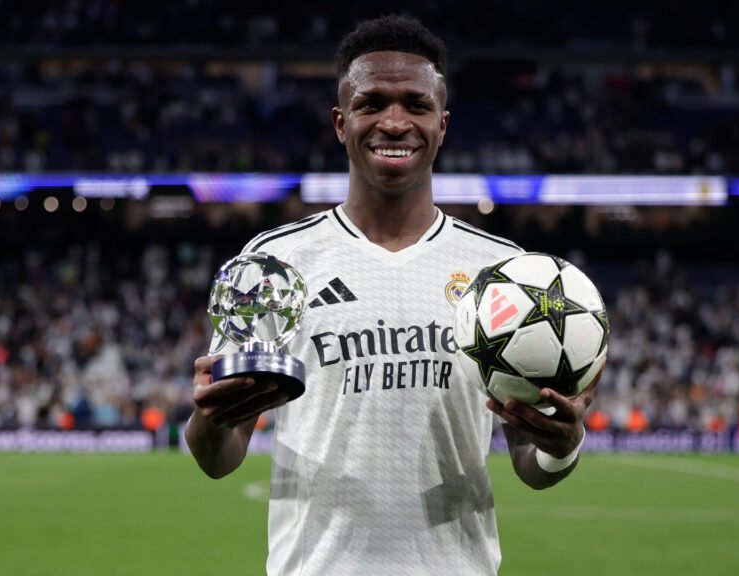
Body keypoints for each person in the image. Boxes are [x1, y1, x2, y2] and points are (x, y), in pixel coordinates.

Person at [186, 14, 599, 576]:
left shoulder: (502, 274)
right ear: (341, 122)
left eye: (416, 105)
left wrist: (562, 442)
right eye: (372, 103)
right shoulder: (274, 264)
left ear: (442, 125)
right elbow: (219, 457)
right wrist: (210, 420)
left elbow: (531, 463)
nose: (395, 122)